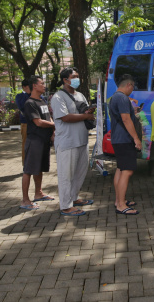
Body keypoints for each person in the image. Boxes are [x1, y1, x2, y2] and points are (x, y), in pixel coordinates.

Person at [50, 68, 95, 216]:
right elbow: (65, 117)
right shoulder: (58, 97)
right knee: (66, 175)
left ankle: (74, 198)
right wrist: (85, 116)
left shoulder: (80, 95)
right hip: (67, 142)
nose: (77, 78)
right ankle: (66, 206)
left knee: (79, 173)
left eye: (77, 76)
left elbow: (83, 112)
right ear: (65, 80)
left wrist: (89, 112)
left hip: (82, 140)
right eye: (73, 76)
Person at [19, 76, 56, 210]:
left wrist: (52, 130)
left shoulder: (42, 101)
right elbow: (38, 122)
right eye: (42, 83)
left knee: (38, 168)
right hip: (35, 140)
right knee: (29, 170)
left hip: (44, 140)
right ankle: (25, 200)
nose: (44, 85)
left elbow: (48, 117)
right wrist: (55, 124)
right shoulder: (30, 103)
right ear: (34, 86)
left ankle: (38, 193)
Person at [109, 74, 142, 215]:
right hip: (124, 139)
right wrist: (136, 138)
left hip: (118, 139)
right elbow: (126, 119)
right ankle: (121, 205)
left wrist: (132, 111)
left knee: (121, 169)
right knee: (127, 171)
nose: (132, 90)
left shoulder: (114, 97)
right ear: (128, 85)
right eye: (132, 87)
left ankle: (119, 200)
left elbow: (124, 115)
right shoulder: (122, 98)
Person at [15, 79, 31, 166]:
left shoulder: (37, 95)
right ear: (24, 87)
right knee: (26, 144)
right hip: (25, 123)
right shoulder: (20, 96)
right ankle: (25, 165)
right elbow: (22, 107)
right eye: (29, 87)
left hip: (36, 123)